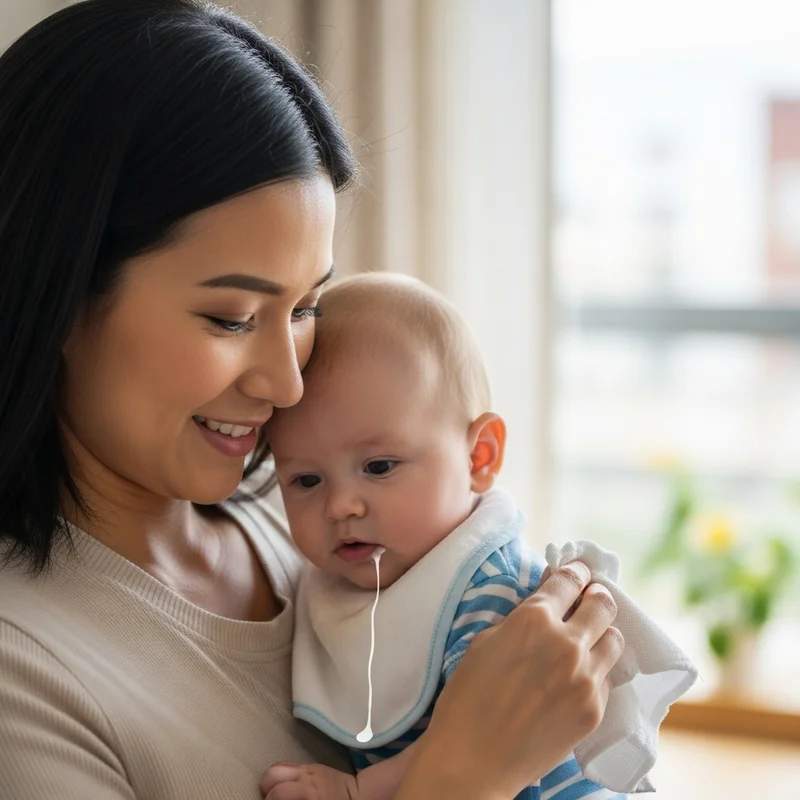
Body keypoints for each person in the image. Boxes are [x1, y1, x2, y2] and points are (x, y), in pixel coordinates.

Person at [0, 2, 624, 799]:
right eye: (230, 318)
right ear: (57, 294)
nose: (287, 384)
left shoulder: (305, 522)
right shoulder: (24, 677)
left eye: (302, 310)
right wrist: (467, 774)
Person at [261, 274, 627, 800]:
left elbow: (468, 740)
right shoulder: (332, 589)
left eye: (379, 465)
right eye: (306, 480)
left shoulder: (494, 593)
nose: (340, 505)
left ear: (480, 457)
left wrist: (357, 791)